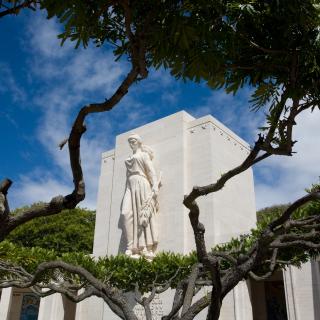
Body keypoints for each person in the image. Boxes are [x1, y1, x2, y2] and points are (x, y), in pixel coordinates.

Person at [121, 133, 159, 259]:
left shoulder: (143, 155)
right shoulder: (129, 157)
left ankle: (144, 247)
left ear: (139, 142)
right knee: (125, 213)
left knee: (142, 214)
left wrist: (154, 186)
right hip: (129, 185)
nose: (131, 143)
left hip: (142, 183)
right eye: (130, 142)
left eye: (133, 141)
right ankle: (130, 246)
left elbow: (151, 171)